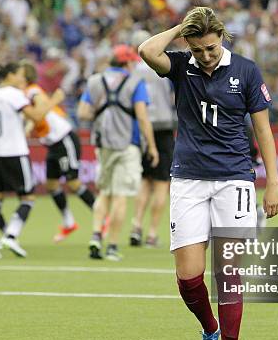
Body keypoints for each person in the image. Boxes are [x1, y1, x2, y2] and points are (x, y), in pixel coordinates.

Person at [138, 7, 278, 340]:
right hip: (188, 180)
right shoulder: (181, 65)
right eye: (198, 48)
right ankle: (209, 328)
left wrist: (273, 182)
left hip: (234, 179)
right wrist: (180, 29)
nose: (205, 55)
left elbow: (263, 131)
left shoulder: (247, 71)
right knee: (188, 278)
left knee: (229, 274)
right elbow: (146, 51)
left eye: (212, 48)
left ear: (223, 38)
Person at [77, 44, 159, 261]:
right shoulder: (135, 82)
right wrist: (151, 146)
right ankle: (112, 245)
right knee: (120, 196)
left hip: (103, 144)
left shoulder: (95, 81)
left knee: (104, 192)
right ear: (128, 62)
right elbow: (142, 117)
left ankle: (96, 235)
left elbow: (82, 112)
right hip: (127, 145)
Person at [0, 63, 64, 259]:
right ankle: (11, 235)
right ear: (9, 75)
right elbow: (36, 117)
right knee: (27, 198)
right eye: (18, 75)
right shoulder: (13, 94)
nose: (21, 79)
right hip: (14, 152)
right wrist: (54, 101)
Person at [21, 60, 95, 242]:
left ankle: (102, 217)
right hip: (52, 144)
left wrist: (32, 121)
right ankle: (69, 223)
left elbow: (40, 108)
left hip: (64, 139)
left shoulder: (32, 91)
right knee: (52, 185)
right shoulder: (24, 94)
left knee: (73, 183)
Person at [129, 30, 177, 248]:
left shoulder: (134, 72)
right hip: (165, 126)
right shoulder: (162, 64)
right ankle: (152, 233)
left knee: (145, 181)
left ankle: (136, 225)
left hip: (143, 127)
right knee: (161, 184)